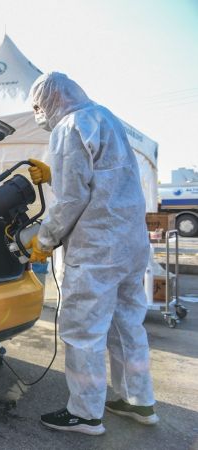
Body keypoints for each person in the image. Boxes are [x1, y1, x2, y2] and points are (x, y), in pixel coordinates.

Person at [25, 72, 157, 436]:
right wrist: (55, 174)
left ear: (51, 100)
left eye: (38, 106)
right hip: (130, 245)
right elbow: (104, 179)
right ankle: (138, 400)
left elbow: (72, 197)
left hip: (97, 249)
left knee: (83, 332)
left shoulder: (68, 127)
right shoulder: (104, 118)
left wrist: (45, 240)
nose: (38, 114)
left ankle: (84, 413)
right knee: (128, 325)